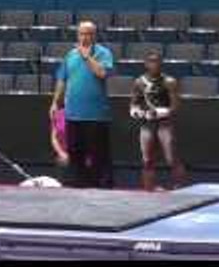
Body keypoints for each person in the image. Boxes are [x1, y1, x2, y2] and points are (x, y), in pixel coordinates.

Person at [50, 21, 115, 189]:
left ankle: (101, 187)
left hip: (96, 115)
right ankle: (79, 185)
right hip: (73, 113)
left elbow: (102, 73)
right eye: (82, 34)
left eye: (88, 34)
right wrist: (55, 102)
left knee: (99, 154)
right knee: (75, 153)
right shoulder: (70, 55)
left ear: (94, 36)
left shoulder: (104, 53)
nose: (84, 37)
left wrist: (87, 57)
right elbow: (62, 79)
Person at [130, 51, 188, 191]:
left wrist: (160, 112)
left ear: (161, 63)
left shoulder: (169, 82)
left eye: (156, 61)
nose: (154, 64)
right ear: (146, 64)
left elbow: (175, 105)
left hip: (164, 124)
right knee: (147, 159)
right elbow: (134, 104)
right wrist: (137, 112)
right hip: (147, 124)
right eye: (151, 61)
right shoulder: (139, 82)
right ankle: (149, 188)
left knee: (171, 157)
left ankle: (180, 187)